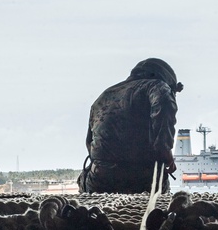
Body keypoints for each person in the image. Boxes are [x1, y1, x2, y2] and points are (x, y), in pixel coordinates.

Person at [78, 58, 183, 194]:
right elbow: (164, 104)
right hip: (142, 178)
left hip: (99, 178)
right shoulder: (157, 86)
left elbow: (90, 142)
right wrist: (165, 153)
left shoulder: (106, 94)